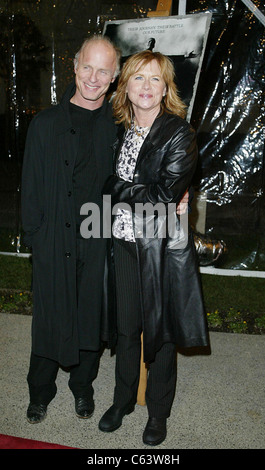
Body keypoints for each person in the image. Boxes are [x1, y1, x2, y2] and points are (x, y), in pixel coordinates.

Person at [98, 50, 209, 446]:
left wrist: (116, 188)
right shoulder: (119, 130)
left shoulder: (179, 133)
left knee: (159, 333)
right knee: (125, 329)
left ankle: (158, 414)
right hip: (122, 244)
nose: (147, 87)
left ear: (166, 89)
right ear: (125, 85)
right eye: (138, 78)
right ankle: (123, 400)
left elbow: (162, 196)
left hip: (159, 248)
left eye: (155, 79)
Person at [21, 35, 121, 424]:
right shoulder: (44, 124)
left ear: (113, 78)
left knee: (90, 320)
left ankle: (83, 387)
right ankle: (40, 392)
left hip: (99, 239)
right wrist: (35, 241)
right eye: (88, 68)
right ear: (75, 66)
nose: (94, 78)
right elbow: (29, 187)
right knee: (48, 320)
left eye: (103, 71)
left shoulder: (117, 126)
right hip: (53, 239)